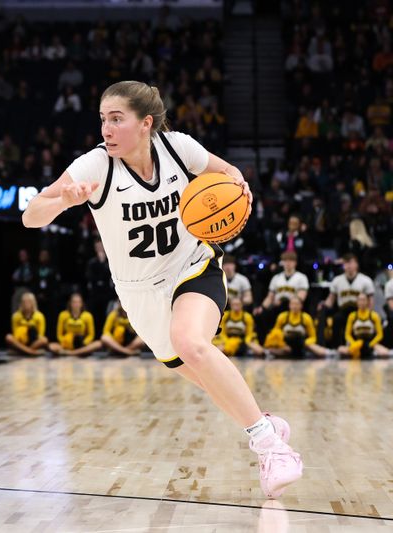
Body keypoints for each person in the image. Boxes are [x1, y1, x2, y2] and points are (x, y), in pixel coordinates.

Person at [22, 80, 302, 498]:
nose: (107, 129)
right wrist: (65, 199)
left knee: (191, 343)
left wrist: (238, 188)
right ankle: (266, 423)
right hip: (138, 294)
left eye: (117, 119)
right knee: (206, 376)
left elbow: (228, 173)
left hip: (193, 267)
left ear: (146, 123)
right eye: (103, 120)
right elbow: (31, 215)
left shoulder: (178, 148)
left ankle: (270, 447)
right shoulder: (95, 166)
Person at [319, 253, 375, 347]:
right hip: (343, 310)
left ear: (356, 264)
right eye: (346, 263)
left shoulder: (366, 280)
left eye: (351, 263)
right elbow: (331, 299)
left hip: (359, 311)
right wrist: (323, 305)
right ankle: (335, 347)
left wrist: (368, 314)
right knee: (336, 318)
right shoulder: (337, 280)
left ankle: (366, 346)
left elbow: (370, 300)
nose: (348, 266)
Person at [264, 296, 334, 359]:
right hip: (286, 344)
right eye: (292, 304)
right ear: (289, 305)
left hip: (302, 344)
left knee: (311, 346)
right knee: (283, 349)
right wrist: (281, 344)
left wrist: (306, 343)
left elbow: (313, 337)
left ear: (301, 306)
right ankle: (268, 352)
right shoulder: (282, 317)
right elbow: (275, 334)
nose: (294, 306)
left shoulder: (306, 318)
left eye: (297, 304)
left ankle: (329, 353)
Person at [338, 293, 390, 359]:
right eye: (360, 300)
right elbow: (347, 334)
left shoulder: (374, 316)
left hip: (370, 343)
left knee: (385, 353)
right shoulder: (352, 316)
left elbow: (380, 335)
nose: (362, 302)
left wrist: (371, 344)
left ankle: (372, 353)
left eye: (364, 300)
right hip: (356, 343)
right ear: (357, 302)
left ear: (367, 302)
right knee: (340, 349)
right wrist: (354, 343)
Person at [5, 292, 48, 356]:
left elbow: (40, 334)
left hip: (34, 341)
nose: (26, 304)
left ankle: (23, 351)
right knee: (8, 337)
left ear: (33, 303)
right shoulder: (16, 316)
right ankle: (30, 352)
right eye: (24, 302)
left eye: (29, 302)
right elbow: (15, 332)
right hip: (20, 341)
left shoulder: (40, 316)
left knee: (44, 340)